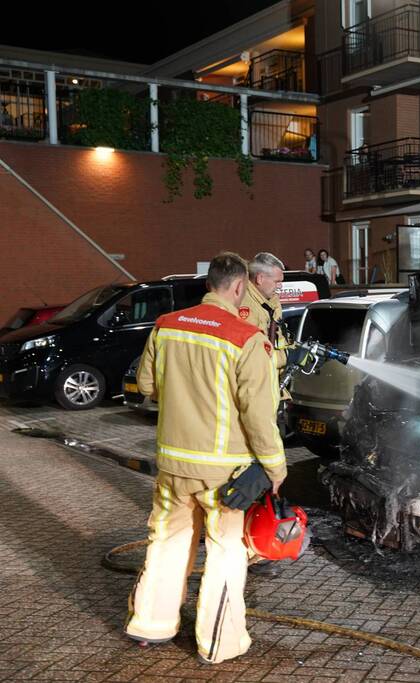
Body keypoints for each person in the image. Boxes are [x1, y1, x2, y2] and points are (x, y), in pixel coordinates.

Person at [126, 252, 286, 664]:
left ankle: (150, 624)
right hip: (223, 473)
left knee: (166, 541)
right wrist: (275, 467)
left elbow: (146, 385)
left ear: (208, 283)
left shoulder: (166, 326)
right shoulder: (246, 338)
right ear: (240, 286)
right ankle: (218, 644)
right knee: (226, 552)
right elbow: (259, 415)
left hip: (172, 465)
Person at [241, 252, 289, 372]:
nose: (280, 286)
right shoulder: (246, 307)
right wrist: (287, 356)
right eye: (277, 281)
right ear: (260, 279)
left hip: (272, 376)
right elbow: (253, 357)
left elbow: (278, 339)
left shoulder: (271, 302)